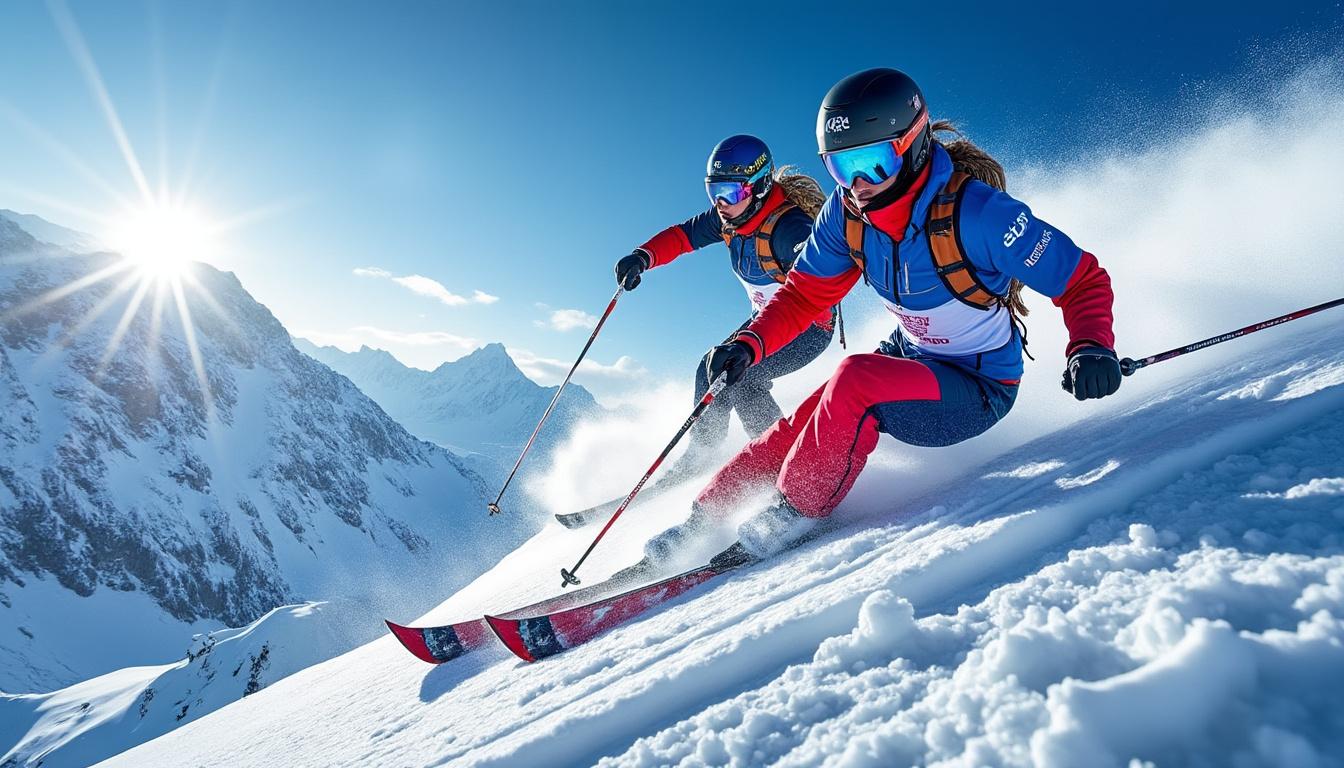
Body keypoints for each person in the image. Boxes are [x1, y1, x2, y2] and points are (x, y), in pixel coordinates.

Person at [649, 67, 1121, 567]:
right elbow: (803, 295)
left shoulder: (981, 215)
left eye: (872, 164)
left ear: (913, 145)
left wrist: (1091, 345)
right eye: (840, 167)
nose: (857, 185)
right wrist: (749, 345)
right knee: (807, 417)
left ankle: (793, 512)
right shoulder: (846, 215)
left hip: (977, 386)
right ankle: (702, 519)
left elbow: (1083, 279)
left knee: (854, 379)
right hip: (912, 358)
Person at [614, 135, 835, 481]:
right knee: (710, 367)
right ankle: (702, 452)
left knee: (743, 379)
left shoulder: (790, 230)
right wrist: (643, 256)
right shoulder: (731, 217)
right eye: (713, 192)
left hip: (807, 326)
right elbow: (683, 236)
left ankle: (785, 466)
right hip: (764, 321)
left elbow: (816, 289)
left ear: (760, 187)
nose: (720, 203)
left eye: (730, 193)